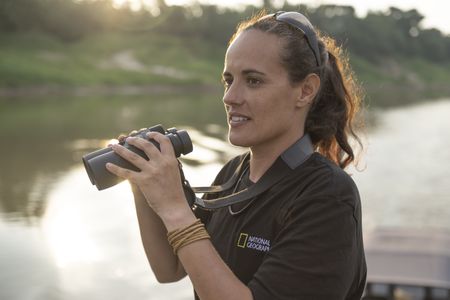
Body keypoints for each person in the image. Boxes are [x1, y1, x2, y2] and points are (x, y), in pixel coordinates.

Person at [106, 10, 367, 300]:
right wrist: (144, 184)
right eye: (228, 80)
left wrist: (175, 208)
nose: (230, 97)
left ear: (305, 91)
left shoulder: (327, 196)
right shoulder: (233, 174)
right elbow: (170, 268)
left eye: (253, 81)